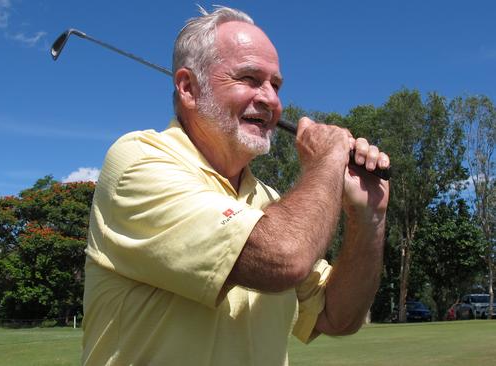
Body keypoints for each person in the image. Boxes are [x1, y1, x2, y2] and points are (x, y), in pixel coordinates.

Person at [81, 6, 390, 365]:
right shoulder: (137, 162)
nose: (270, 100)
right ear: (189, 88)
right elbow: (285, 258)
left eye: (275, 85)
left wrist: (369, 218)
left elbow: (337, 317)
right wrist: (328, 160)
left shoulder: (270, 201)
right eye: (249, 79)